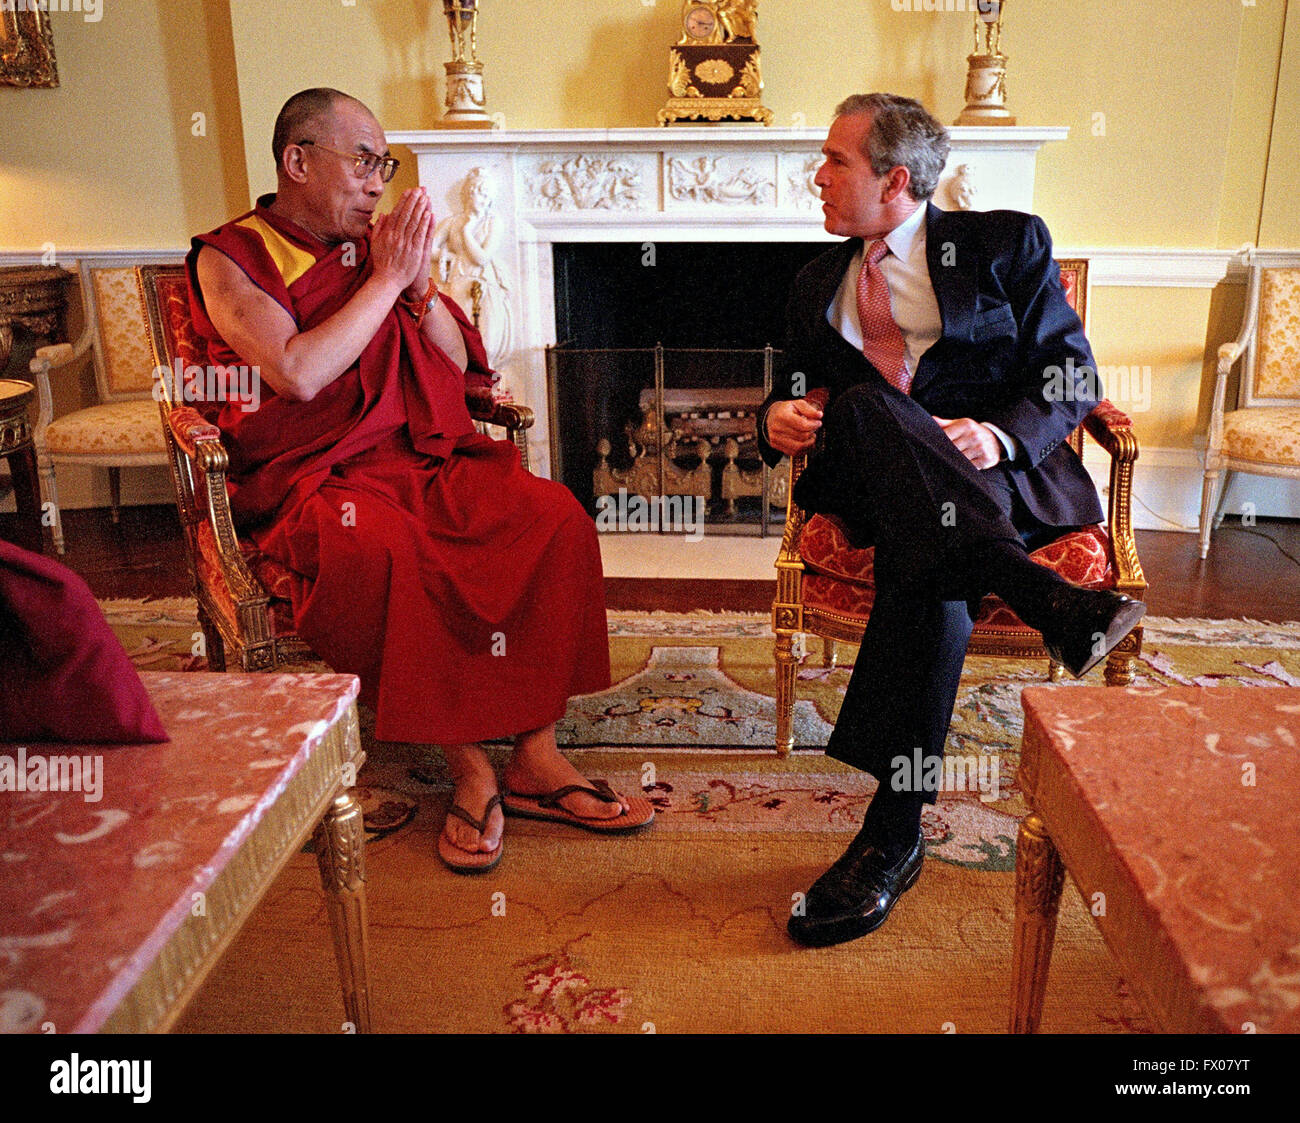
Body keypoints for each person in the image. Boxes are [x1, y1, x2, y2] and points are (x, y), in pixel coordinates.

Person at [186, 88, 653, 874]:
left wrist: (416, 287)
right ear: (297, 161)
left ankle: (535, 753)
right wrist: (380, 281)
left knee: (552, 514)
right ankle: (470, 765)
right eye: (363, 161)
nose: (377, 182)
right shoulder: (234, 257)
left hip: (424, 457)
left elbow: (465, 360)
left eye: (384, 165)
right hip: (320, 478)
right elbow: (297, 374)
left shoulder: (373, 255)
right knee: (385, 550)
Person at [756, 93, 1144, 948]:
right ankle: (1043, 596)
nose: (815, 176)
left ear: (895, 180)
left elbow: (1072, 377)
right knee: (861, 411)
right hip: (871, 470)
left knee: (926, 559)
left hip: (988, 482)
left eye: (834, 161)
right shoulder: (816, 280)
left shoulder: (1007, 244)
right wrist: (775, 419)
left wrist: (1003, 434)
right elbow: (790, 387)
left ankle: (892, 836)